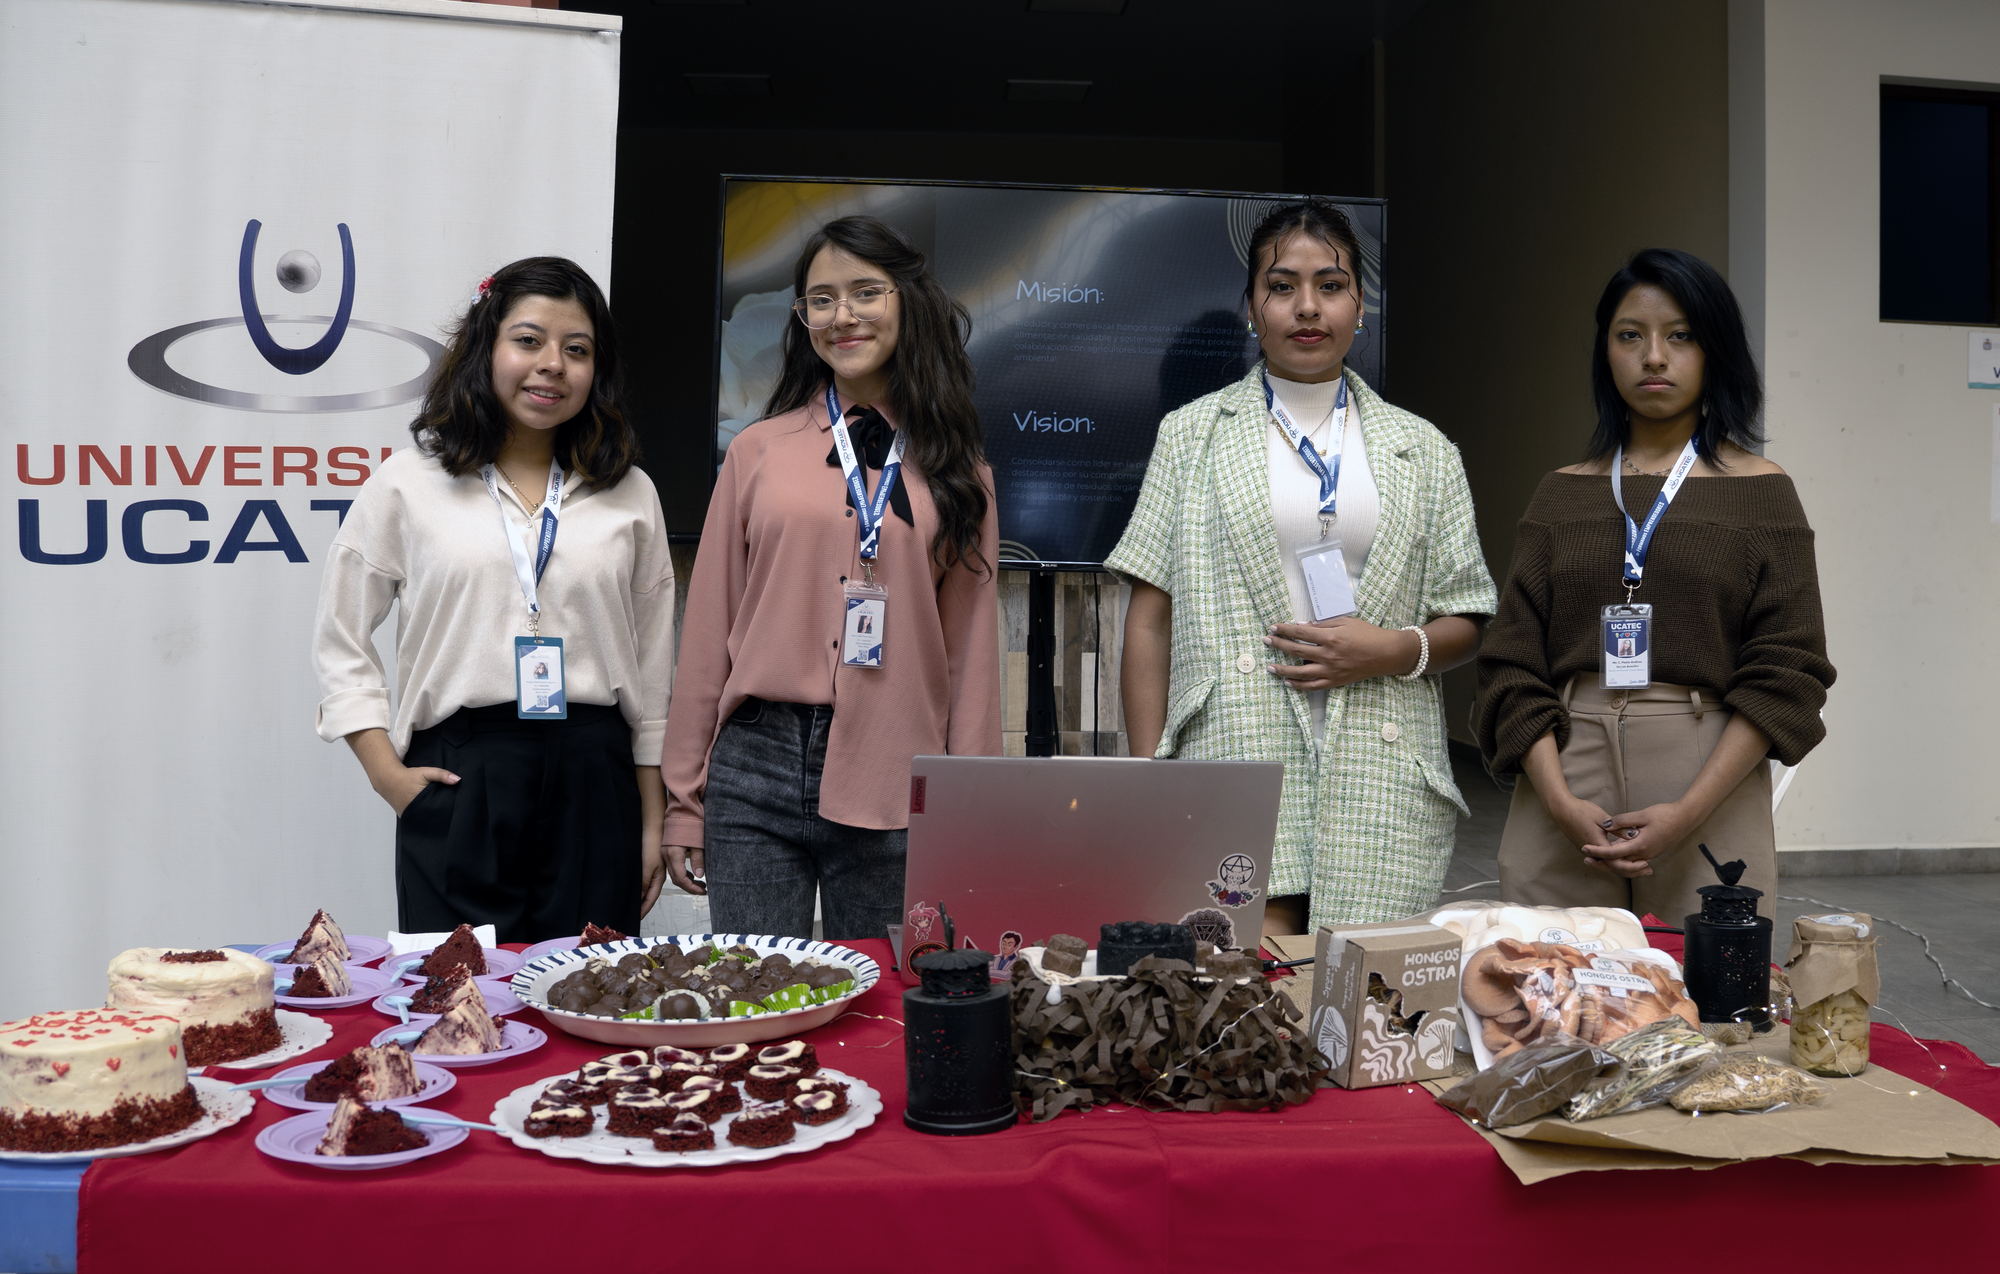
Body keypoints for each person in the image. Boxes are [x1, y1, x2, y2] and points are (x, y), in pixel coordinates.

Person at [1108, 198, 1497, 936]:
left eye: (1332, 283)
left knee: (1369, 1011)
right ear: (1252, 307)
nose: (1307, 307)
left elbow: (1467, 617)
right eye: (1282, 285)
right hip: (1234, 749)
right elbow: (1150, 621)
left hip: (1380, 766)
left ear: (1360, 306)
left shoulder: (1424, 449)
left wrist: (1389, 649)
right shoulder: (1191, 435)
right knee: (1243, 997)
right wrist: (1148, 781)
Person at [313, 258, 675, 942]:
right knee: (462, 1005)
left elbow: (654, 669)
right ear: (487, 348)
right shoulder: (409, 482)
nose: (552, 366)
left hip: (595, 776)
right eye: (529, 340)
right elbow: (340, 636)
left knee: (588, 995)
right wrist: (387, 776)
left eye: (577, 350)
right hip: (461, 772)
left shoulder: (630, 492)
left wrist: (652, 819)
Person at [661, 216, 1001, 941]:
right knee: (753, 999)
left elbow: (971, 657)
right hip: (756, 762)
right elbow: (709, 631)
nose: (842, 316)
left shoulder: (960, 472)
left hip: (897, 771)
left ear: (907, 301)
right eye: (821, 299)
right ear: (800, 317)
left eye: (865, 293)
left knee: (886, 1005)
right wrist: (683, 800)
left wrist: (972, 815)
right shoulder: (756, 452)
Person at [1475, 248, 1835, 922]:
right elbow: (1511, 663)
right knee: (1551, 1003)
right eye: (1630, 335)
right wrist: (1558, 801)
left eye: (1681, 335)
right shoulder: (1561, 494)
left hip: (1707, 773)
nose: (1654, 357)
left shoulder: (1763, 493)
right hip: (1565, 765)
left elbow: (1788, 668)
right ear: (1605, 352)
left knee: (1706, 1010)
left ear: (1714, 350)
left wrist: (1687, 812)